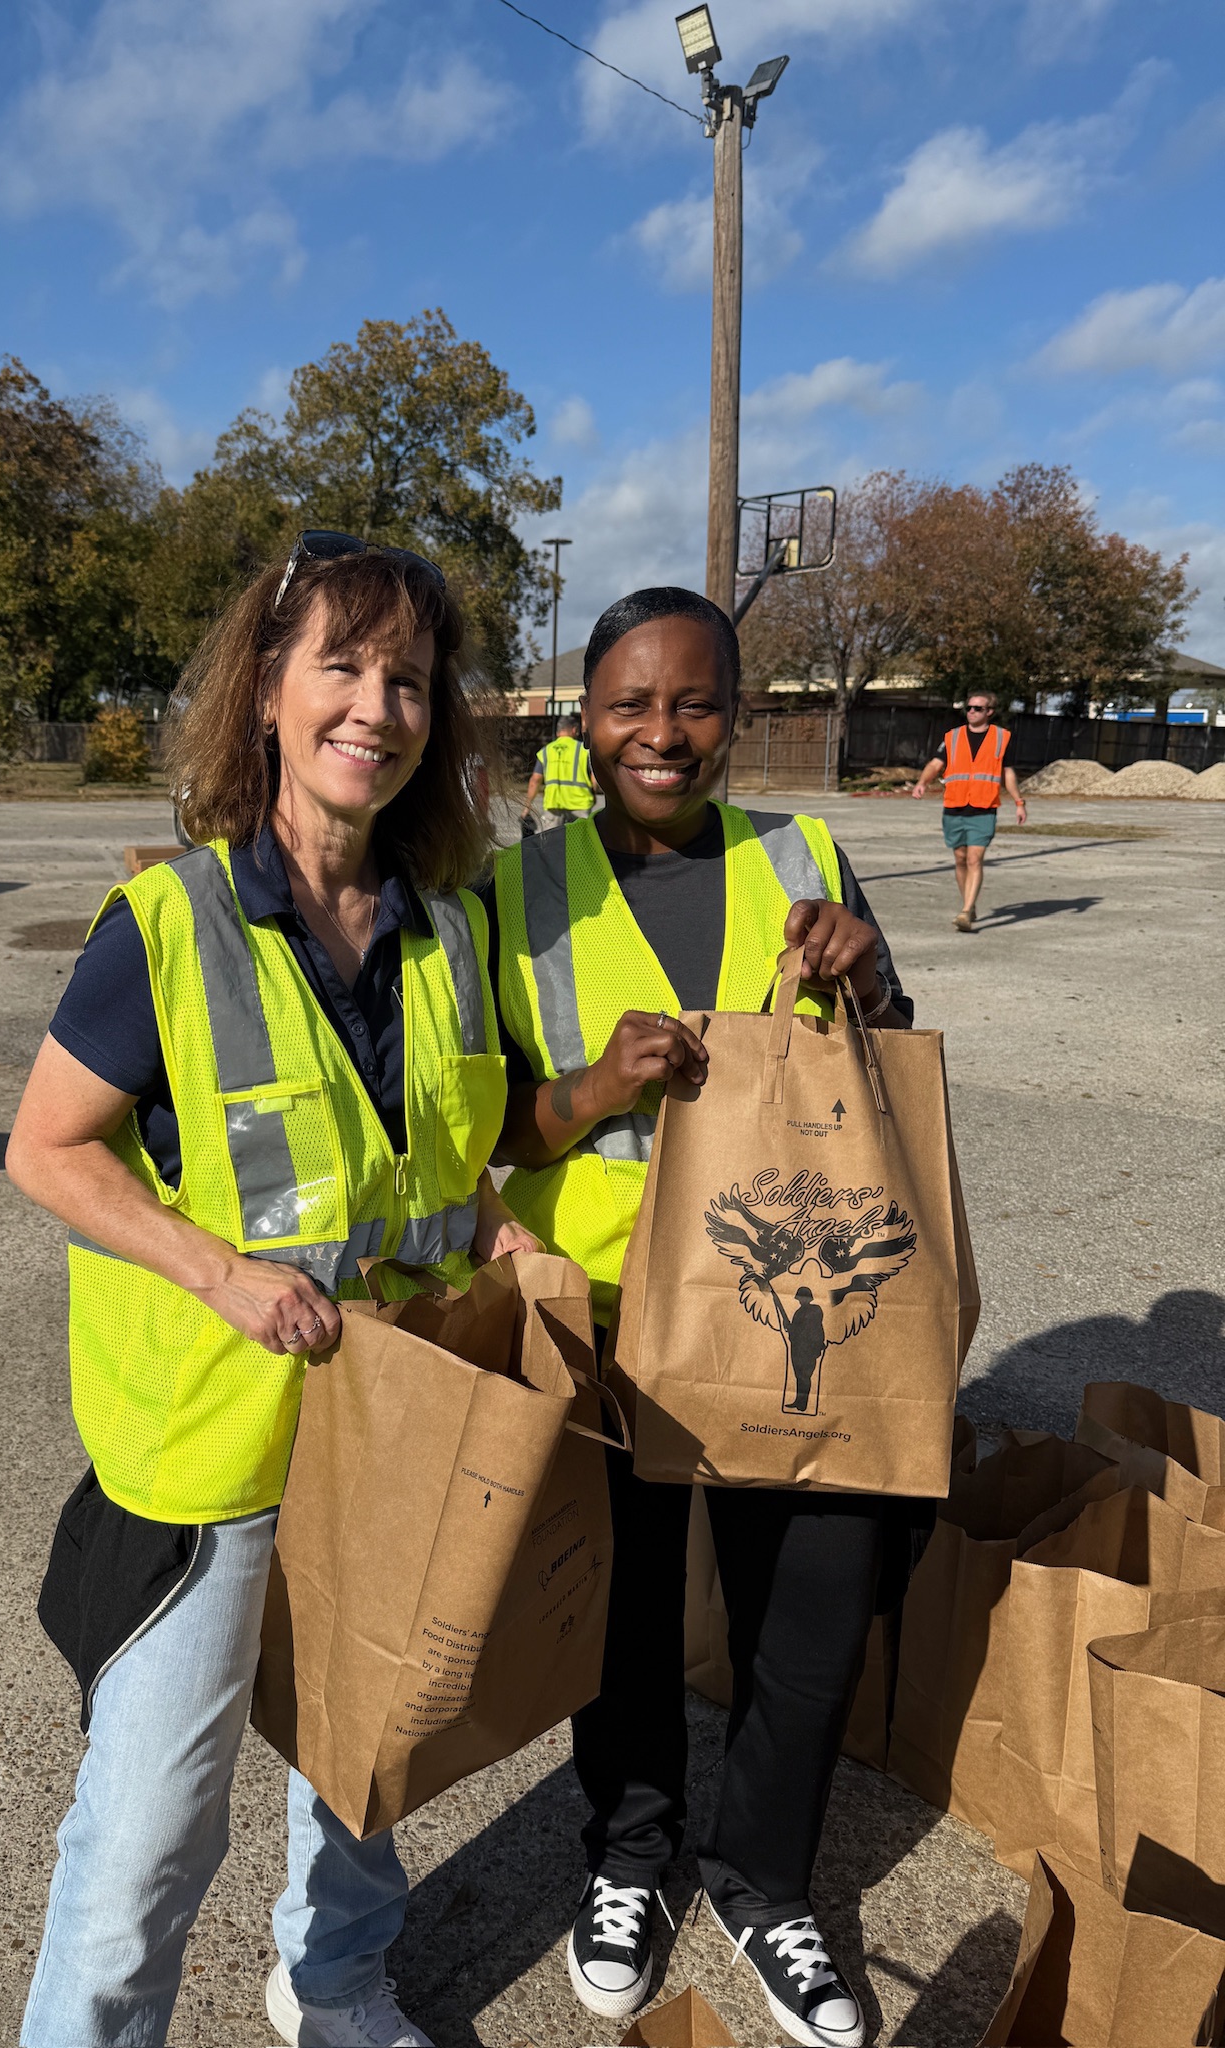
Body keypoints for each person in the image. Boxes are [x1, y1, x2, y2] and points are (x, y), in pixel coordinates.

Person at [6, 533, 539, 2048]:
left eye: (410, 680)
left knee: (369, 1760)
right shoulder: (166, 926)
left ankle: (338, 1985)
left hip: (391, 1420)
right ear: (264, 689)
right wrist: (219, 1272)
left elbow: (438, 1160)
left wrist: (508, 1241)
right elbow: (46, 1149)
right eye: (342, 666)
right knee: (148, 1841)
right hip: (214, 1452)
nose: (376, 706)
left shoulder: (449, 924)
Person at [482, 587, 919, 2048]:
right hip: (607, 1317)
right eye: (630, 703)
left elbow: (883, 1070)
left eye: (695, 702)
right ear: (583, 718)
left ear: (737, 713)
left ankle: (765, 1879)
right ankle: (630, 1854)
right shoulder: (516, 890)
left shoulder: (804, 856)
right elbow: (489, 1127)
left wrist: (870, 968)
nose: (661, 732)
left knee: (809, 1609)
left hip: (795, 1318)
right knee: (620, 1614)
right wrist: (595, 1088)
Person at [911, 692, 1026, 931]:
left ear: (989, 712)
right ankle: (969, 903)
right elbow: (936, 763)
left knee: (974, 858)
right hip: (955, 805)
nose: (972, 711)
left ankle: (965, 912)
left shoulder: (1001, 738)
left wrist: (1019, 802)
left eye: (977, 708)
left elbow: (1008, 773)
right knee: (960, 859)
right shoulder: (952, 737)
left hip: (984, 808)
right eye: (969, 707)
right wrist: (922, 782)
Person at [523, 710, 595, 829]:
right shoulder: (583, 750)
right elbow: (594, 779)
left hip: (553, 806)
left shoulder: (546, 751)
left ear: (558, 732)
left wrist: (527, 807)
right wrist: (594, 792)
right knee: (579, 840)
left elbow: (535, 780)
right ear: (574, 730)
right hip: (580, 805)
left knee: (553, 840)